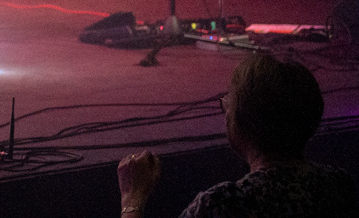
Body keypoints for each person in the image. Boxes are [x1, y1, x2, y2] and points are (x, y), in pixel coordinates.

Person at [117, 53, 357, 217]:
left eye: (230, 101)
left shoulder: (222, 204)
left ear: (242, 122)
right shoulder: (339, 185)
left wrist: (132, 200)